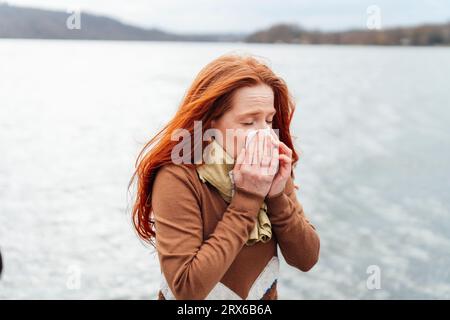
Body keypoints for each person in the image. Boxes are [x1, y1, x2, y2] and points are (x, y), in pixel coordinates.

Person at [129, 54, 320, 300]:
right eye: (249, 122)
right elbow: (187, 289)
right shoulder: (177, 177)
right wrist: (248, 198)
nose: (265, 134)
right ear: (210, 122)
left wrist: (276, 196)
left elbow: (306, 258)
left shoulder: (271, 168)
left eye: (269, 120)